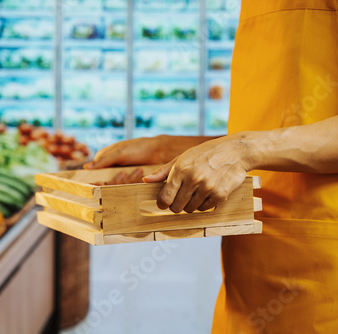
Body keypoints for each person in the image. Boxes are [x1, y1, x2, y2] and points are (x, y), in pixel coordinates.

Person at [85, 1, 338, 332]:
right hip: (252, 265)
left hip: (322, 271)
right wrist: (175, 147)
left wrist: (244, 149)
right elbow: (292, 119)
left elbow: (260, 143)